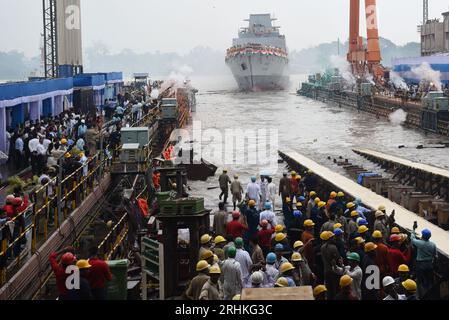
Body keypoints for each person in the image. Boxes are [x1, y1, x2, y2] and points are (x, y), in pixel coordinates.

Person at [411, 228, 437, 299]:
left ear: (423, 236)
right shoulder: (433, 245)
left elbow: (412, 239)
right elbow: (436, 256)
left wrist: (413, 229)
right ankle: (430, 296)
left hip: (421, 265)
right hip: (429, 265)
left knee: (420, 281)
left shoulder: (420, 243)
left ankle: (421, 296)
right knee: (429, 282)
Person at [320, 231, 341, 299]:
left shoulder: (322, 247)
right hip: (333, 271)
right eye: (332, 237)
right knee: (335, 289)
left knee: (329, 289)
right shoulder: (333, 247)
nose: (333, 238)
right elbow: (338, 259)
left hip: (326, 270)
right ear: (329, 239)